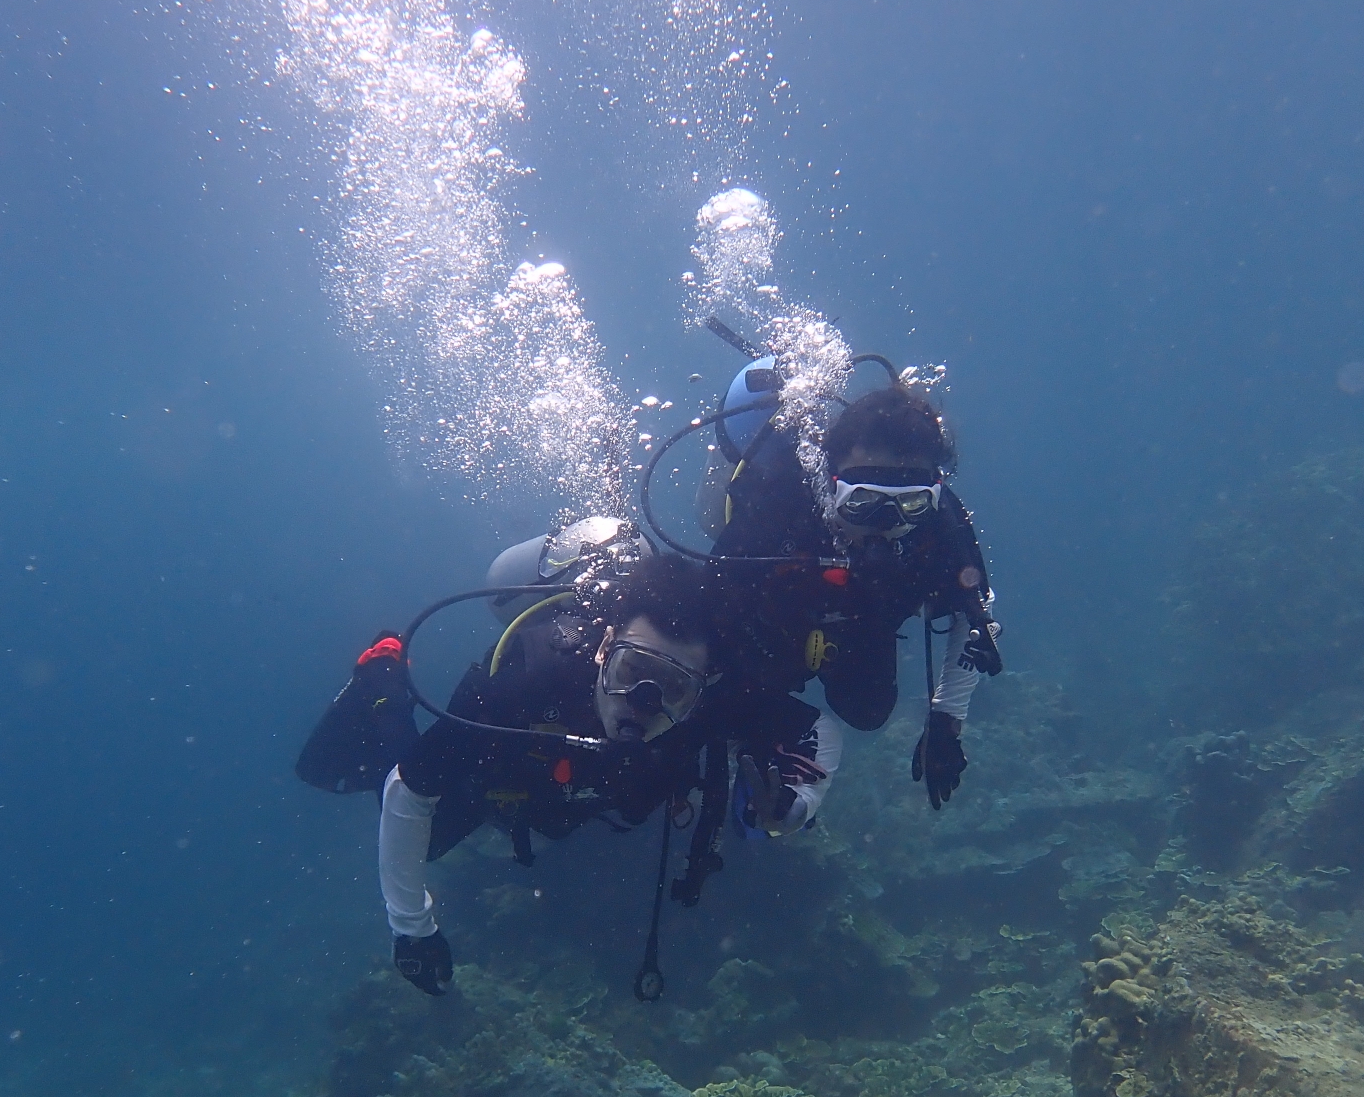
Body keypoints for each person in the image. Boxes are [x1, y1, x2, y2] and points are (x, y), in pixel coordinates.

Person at [369, 552, 839, 996]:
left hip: (582, 794)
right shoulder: (520, 688)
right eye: (630, 668)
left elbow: (817, 728)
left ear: (703, 688)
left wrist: (794, 805)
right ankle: (382, 680)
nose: (642, 700)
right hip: (503, 779)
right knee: (407, 810)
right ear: (603, 648)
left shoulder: (711, 705)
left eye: (673, 687)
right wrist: (411, 930)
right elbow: (409, 789)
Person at [710, 373, 1002, 810]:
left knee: (868, 712)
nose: (885, 523)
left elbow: (975, 612)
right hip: (765, 631)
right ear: (830, 481)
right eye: (864, 502)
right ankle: (753, 748)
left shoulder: (942, 524)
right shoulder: (781, 503)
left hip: (862, 628)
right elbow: (710, 598)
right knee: (730, 688)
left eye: (911, 505)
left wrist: (946, 720)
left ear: (933, 495)